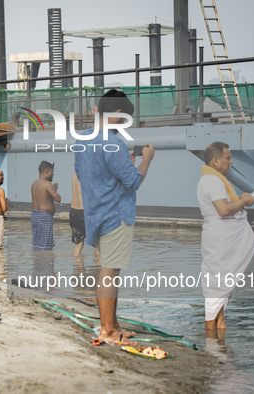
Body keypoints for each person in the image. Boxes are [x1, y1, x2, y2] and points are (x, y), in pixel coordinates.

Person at [75, 89, 155, 346]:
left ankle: (114, 324)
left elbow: (83, 171)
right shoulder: (114, 143)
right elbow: (133, 182)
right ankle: (108, 330)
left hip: (96, 214)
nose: (123, 125)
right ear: (118, 114)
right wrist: (146, 159)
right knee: (109, 273)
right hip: (116, 215)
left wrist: (124, 163)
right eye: (124, 120)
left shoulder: (83, 139)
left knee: (108, 269)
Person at [197, 142, 254, 331]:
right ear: (215, 161)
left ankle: (219, 326)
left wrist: (239, 200)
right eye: (227, 158)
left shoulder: (211, 179)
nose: (231, 162)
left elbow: (223, 207)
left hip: (219, 238)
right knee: (218, 284)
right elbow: (223, 210)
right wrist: (244, 201)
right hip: (220, 239)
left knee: (222, 283)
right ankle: (211, 341)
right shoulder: (213, 181)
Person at [30, 161, 61, 250]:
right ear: (47, 172)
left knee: (36, 245)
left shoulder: (34, 183)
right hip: (44, 217)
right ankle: (45, 263)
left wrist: (52, 191)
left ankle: (37, 263)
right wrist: (55, 191)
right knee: (45, 247)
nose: (53, 174)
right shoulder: (47, 184)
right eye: (52, 172)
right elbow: (58, 199)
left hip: (34, 215)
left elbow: (43, 198)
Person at [69, 172, 99, 257]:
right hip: (86, 211)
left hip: (74, 211)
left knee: (78, 245)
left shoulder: (75, 172)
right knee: (99, 245)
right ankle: (97, 269)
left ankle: (78, 268)